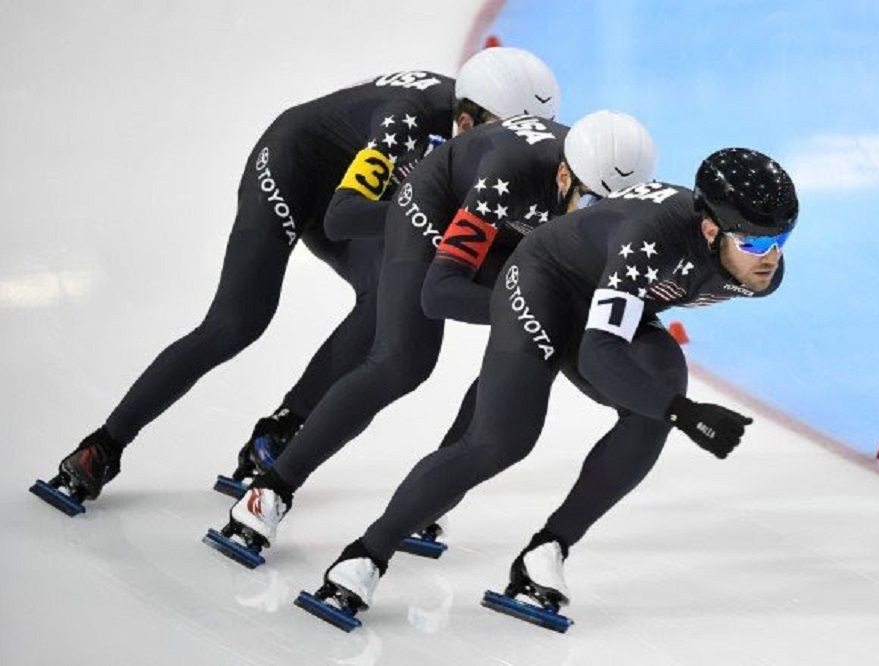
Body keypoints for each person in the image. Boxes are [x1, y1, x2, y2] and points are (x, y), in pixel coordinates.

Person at [30, 47, 561, 516]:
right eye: (500, 134)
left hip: (365, 187)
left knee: (384, 298)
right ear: (465, 120)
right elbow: (342, 217)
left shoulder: (496, 152)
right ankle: (103, 445)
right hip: (294, 167)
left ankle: (283, 426)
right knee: (236, 322)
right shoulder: (408, 122)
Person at [299, 147, 799, 631]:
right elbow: (600, 355)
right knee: (503, 440)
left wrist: (668, 406)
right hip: (544, 282)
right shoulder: (651, 238)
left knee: (657, 397)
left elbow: (619, 331)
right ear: (710, 229)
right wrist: (683, 413)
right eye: (754, 243)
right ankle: (365, 555)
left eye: (781, 239)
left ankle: (547, 550)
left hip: (606, 298)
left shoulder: (756, 274)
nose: (770, 257)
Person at [209, 110, 659, 565]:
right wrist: (534, 312)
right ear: (564, 175)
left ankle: (431, 496)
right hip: (436, 210)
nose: (597, 224)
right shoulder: (509, 174)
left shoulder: (612, 208)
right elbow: (439, 292)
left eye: (611, 214)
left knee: (526, 356)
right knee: (402, 362)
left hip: (519, 233)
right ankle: (272, 489)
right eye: (589, 207)